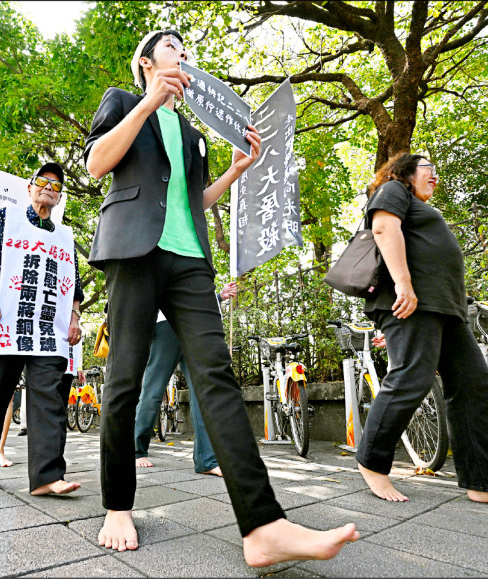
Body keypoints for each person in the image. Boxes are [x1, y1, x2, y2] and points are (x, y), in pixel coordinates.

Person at [83, 29, 358, 566]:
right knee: (124, 376)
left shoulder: (191, 131)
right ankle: (118, 504)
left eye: (185, 52)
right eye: (172, 49)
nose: (182, 57)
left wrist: (235, 170)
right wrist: (148, 102)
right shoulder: (123, 100)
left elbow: (193, 196)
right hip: (132, 249)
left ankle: (262, 526)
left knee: (216, 375)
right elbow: (97, 165)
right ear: (145, 61)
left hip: (190, 260)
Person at [354, 152, 488, 510]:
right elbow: (384, 229)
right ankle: (371, 461)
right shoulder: (393, 190)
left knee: (474, 385)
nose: (435, 177)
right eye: (429, 169)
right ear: (406, 171)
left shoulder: (418, 205)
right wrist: (403, 284)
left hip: (444, 310)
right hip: (413, 303)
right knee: (411, 378)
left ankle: (485, 483)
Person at [0, 161, 83, 496]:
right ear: (29, 188)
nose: (49, 187)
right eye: (42, 181)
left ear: (59, 199)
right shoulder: (6, 218)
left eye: (56, 186)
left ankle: (46, 477)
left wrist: (74, 319)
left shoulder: (64, 237)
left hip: (48, 331)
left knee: (49, 398)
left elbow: (74, 285)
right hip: (7, 322)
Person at [134, 282, 239, 476]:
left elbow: (196, 292)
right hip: (168, 324)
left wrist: (219, 297)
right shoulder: (165, 252)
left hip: (198, 326)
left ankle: (207, 460)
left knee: (203, 393)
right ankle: (137, 450)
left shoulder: (200, 257)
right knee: (153, 391)